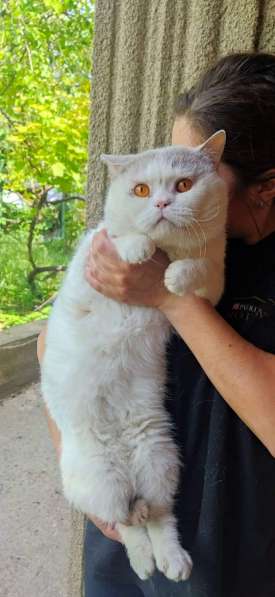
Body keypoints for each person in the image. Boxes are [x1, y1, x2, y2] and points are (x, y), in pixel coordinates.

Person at [37, 52, 275, 597]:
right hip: (121, 528)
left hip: (236, 553)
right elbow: (58, 338)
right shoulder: (146, 233)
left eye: (201, 166)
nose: (175, 172)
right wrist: (78, 460)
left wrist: (171, 301)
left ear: (264, 186)